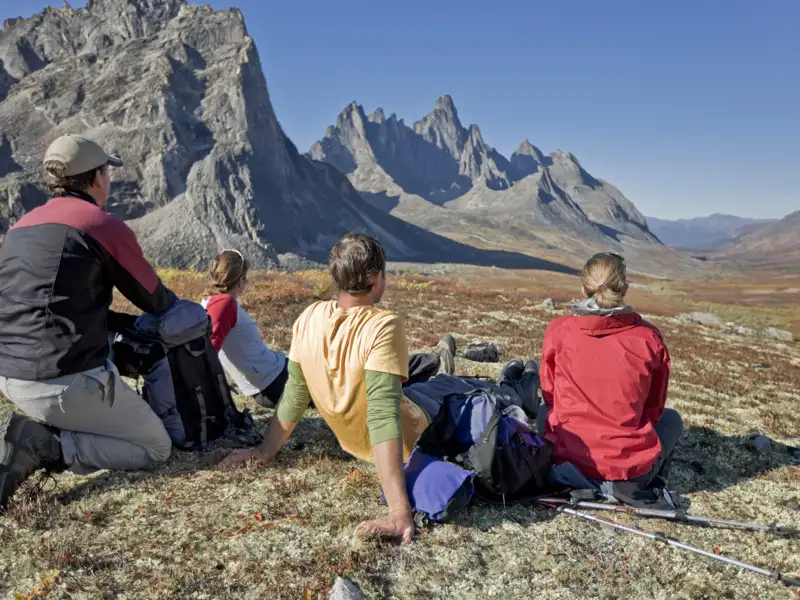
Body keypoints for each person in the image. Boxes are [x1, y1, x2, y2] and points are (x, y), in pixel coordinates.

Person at [218, 233, 539, 543]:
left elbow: (295, 396)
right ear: (374, 278)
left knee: (437, 383)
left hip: (352, 433)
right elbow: (384, 418)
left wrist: (263, 452)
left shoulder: (309, 318)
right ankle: (516, 390)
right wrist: (400, 512)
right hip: (417, 427)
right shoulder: (382, 326)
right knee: (465, 393)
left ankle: (508, 381)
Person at [0, 134, 178, 511]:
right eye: (106, 173)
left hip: (10, 378)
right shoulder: (101, 224)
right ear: (96, 178)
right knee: (156, 447)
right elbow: (155, 298)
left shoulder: (20, 228)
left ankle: (51, 426)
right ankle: (49, 445)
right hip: (63, 383)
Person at [538, 252, 683, 502]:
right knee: (672, 420)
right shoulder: (648, 338)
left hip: (569, 457)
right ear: (624, 287)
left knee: (543, 410)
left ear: (584, 289)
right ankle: (630, 483)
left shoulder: (558, 330)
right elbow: (654, 408)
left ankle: (581, 475)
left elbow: (550, 394)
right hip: (628, 468)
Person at [200, 250, 288, 408]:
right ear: (240, 280)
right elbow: (209, 348)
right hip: (273, 382)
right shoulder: (225, 304)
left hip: (270, 375)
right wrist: (216, 388)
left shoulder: (210, 301)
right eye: (245, 278)